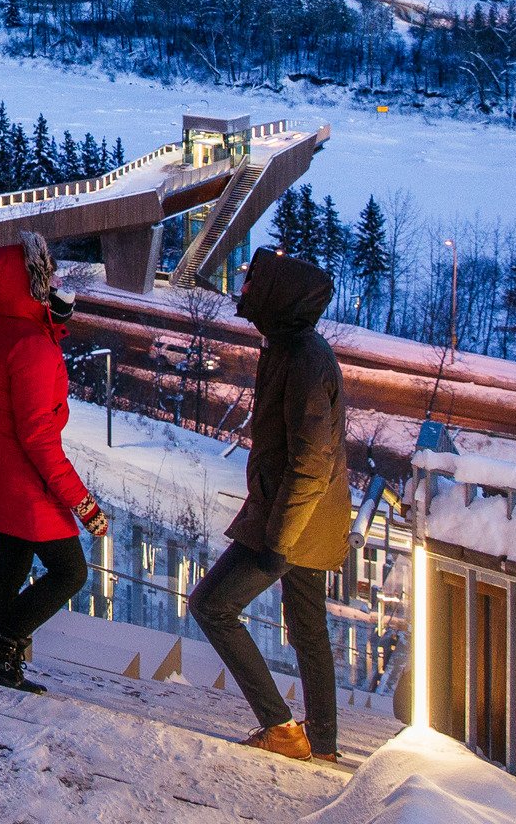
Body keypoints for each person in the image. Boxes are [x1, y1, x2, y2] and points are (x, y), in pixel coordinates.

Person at [188, 247, 352, 762]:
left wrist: (278, 542)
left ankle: (281, 728)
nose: (245, 291)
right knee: (307, 627)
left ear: (279, 297)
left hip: (293, 519)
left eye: (253, 283)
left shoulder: (302, 359)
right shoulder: (290, 347)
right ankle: (321, 741)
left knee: (212, 605)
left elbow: (311, 462)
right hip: (304, 514)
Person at [0, 230, 109, 694]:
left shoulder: (7, 326)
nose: (53, 282)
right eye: (44, 276)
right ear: (29, 284)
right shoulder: (34, 345)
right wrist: (83, 504)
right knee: (71, 571)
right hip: (21, 476)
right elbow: (39, 438)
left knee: (10, 562)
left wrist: (50, 313)